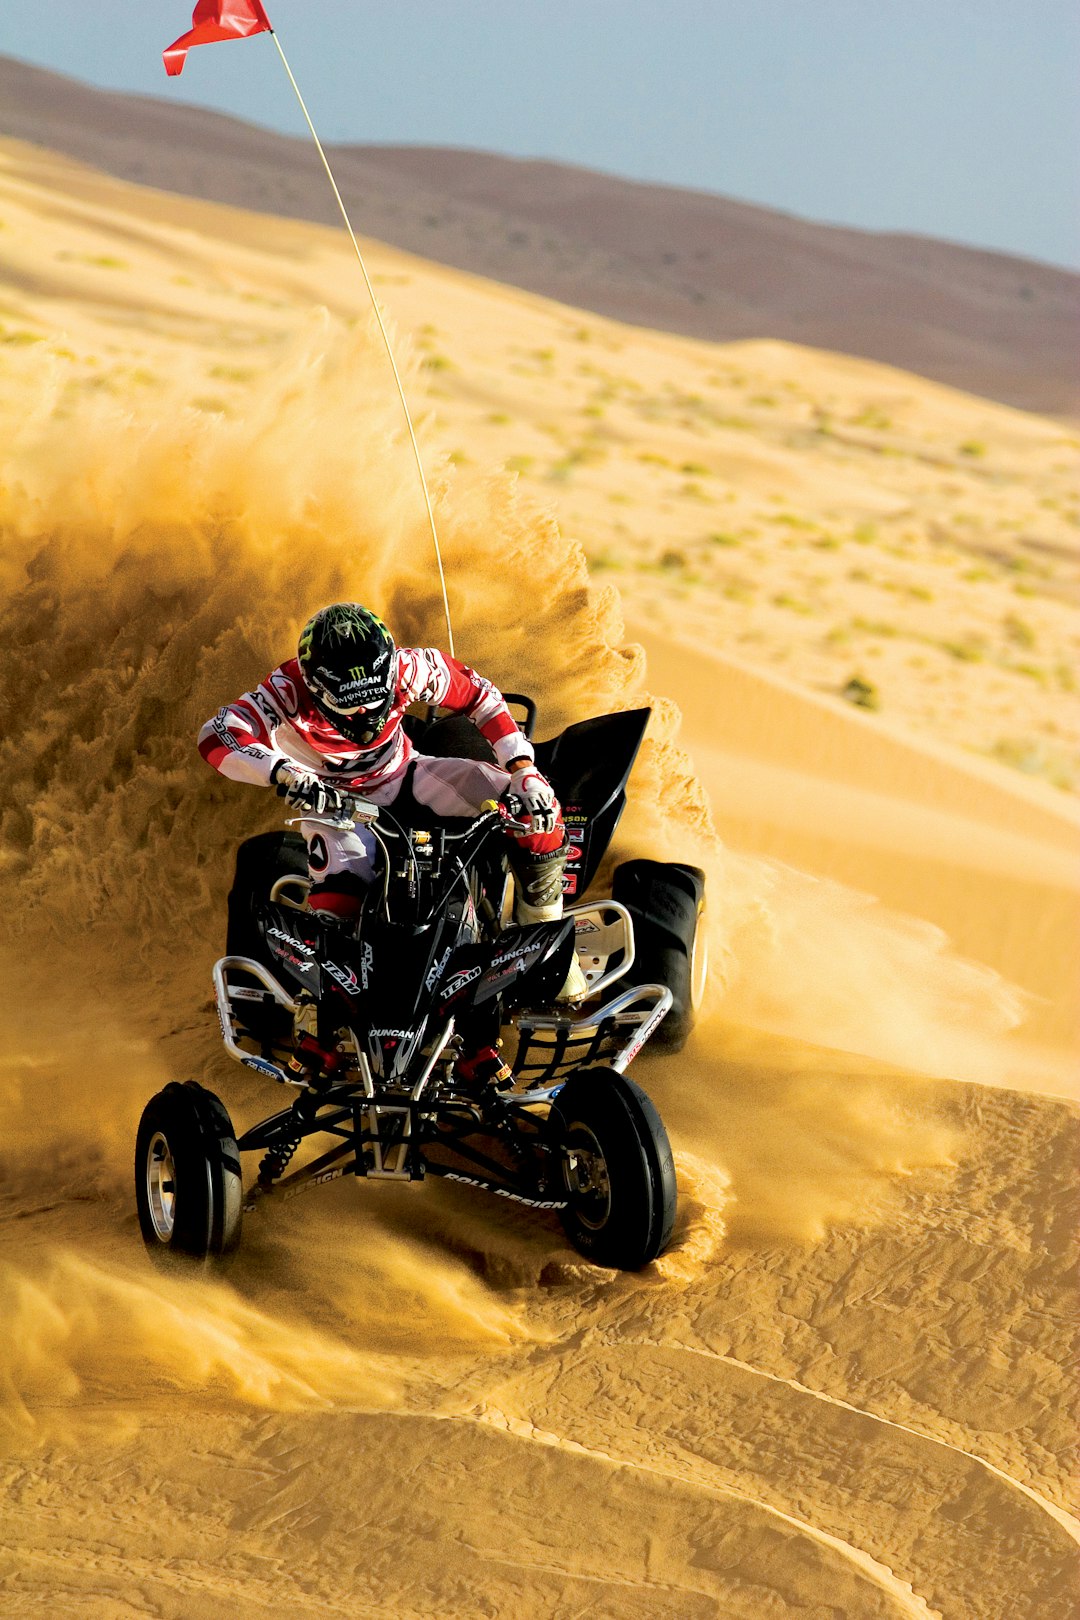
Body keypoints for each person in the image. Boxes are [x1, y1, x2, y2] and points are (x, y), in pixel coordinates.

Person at [198, 602, 585, 998]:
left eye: (375, 699)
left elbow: (481, 696)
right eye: (351, 705)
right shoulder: (286, 689)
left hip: (407, 774)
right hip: (336, 804)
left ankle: (542, 929)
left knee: (538, 806)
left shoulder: (409, 667)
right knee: (336, 914)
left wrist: (523, 769)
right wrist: (281, 771)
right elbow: (218, 733)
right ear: (315, 686)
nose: (366, 713)